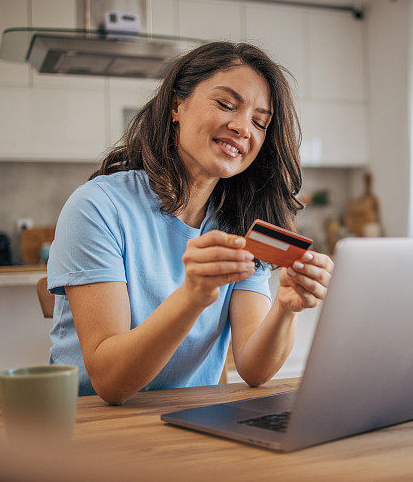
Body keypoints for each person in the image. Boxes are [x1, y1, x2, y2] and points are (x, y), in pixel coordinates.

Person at [47, 42, 334, 405]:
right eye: (226, 104)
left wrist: (285, 309)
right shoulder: (98, 207)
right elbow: (109, 381)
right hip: (89, 428)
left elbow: (254, 368)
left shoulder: (239, 223)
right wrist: (192, 296)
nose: (242, 127)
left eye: (260, 122)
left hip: (193, 422)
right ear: (176, 105)